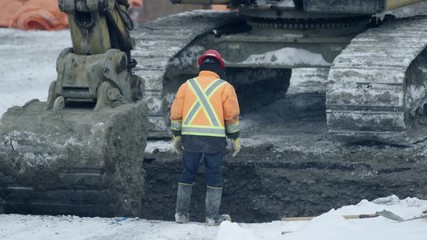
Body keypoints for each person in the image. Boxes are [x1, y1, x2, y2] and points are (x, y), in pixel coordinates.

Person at [170, 49, 241, 225]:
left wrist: (177, 137)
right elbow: (231, 117)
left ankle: (180, 214)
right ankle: (211, 217)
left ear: (201, 67)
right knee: (214, 175)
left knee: (188, 173)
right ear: (219, 68)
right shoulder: (225, 87)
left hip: (191, 140)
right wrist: (235, 139)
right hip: (214, 142)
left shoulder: (187, 86)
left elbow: (176, 114)